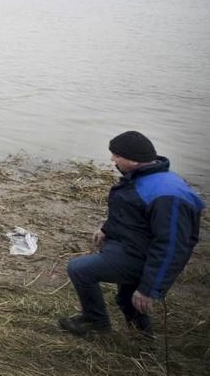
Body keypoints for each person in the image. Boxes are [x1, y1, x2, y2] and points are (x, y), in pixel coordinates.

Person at [58, 131, 204, 336]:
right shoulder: (146, 177)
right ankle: (141, 340)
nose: (112, 159)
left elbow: (171, 247)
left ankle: (96, 324)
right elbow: (131, 213)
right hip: (132, 246)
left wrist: (149, 289)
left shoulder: (168, 196)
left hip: (142, 256)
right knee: (127, 299)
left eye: (117, 156)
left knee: (80, 269)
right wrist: (106, 228)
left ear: (134, 160)